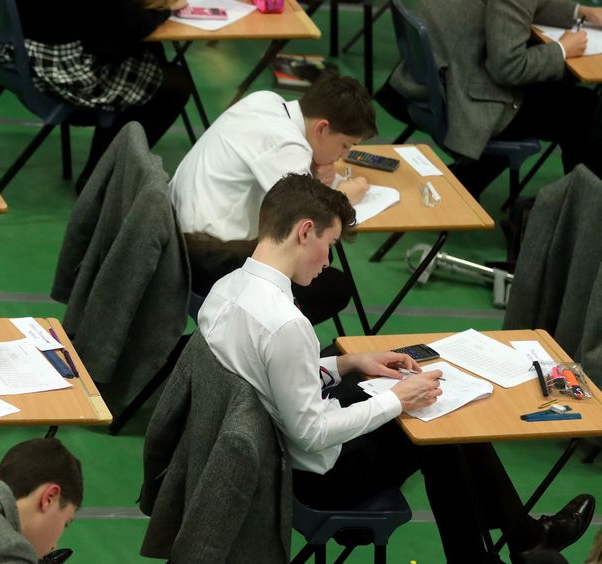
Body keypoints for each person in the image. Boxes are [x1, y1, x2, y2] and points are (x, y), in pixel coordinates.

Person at [197, 172, 596, 563]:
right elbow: (312, 433)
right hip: (313, 475)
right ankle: (518, 540)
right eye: (330, 243)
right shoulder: (287, 323)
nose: (329, 260)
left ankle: (519, 540)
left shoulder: (226, 290)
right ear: (304, 232)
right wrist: (397, 400)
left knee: (433, 416)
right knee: (439, 423)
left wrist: (347, 362)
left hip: (267, 446)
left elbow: (271, 373)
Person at [170, 73, 374, 325]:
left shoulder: (264, 100)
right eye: (345, 145)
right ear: (322, 128)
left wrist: (311, 169)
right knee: (330, 280)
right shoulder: (289, 146)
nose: (342, 156)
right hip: (207, 263)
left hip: (177, 239)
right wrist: (345, 192)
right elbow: (311, 224)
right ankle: (250, 344)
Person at [384, 0, 602, 195]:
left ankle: (467, 182)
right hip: (466, 100)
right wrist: (562, 50)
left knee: (563, 90)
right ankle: (574, 211)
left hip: (440, 81)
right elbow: (508, 67)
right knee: (584, 110)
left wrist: (580, 11)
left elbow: (522, 7)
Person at [0, 0, 193, 193]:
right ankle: (99, 180)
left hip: (12, 50)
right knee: (174, 86)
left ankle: (102, 170)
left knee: (144, 55)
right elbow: (130, 26)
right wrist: (167, 8)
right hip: (55, 69)